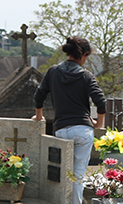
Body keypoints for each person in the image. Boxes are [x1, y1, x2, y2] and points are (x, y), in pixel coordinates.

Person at [32, 36, 107, 185]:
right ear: (84, 55)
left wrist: (39, 116)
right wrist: (98, 123)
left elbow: (39, 95)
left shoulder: (53, 71)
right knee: (77, 176)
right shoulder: (86, 75)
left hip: (61, 130)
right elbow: (101, 101)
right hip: (82, 130)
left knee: (62, 176)